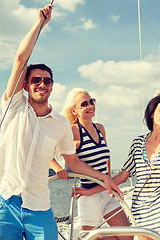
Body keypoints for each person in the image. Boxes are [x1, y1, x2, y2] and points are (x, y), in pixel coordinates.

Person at [0, 5, 121, 240]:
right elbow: (20, 58)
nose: (42, 84)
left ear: (52, 85)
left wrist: (104, 178)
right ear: (26, 85)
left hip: (39, 207)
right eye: (36, 80)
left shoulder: (60, 124)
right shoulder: (14, 107)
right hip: (5, 203)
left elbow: (74, 163)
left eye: (47, 80)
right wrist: (39, 24)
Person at [73, 95, 160, 240]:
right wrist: (91, 191)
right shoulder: (138, 143)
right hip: (140, 212)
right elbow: (122, 177)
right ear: (152, 114)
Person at [51, 88, 131, 240]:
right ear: (74, 111)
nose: (90, 106)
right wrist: (58, 168)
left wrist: (107, 178)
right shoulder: (72, 131)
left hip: (106, 191)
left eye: (92, 101)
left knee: (127, 237)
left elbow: (107, 157)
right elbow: (48, 153)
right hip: (88, 194)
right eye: (84, 104)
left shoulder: (100, 128)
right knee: (90, 238)